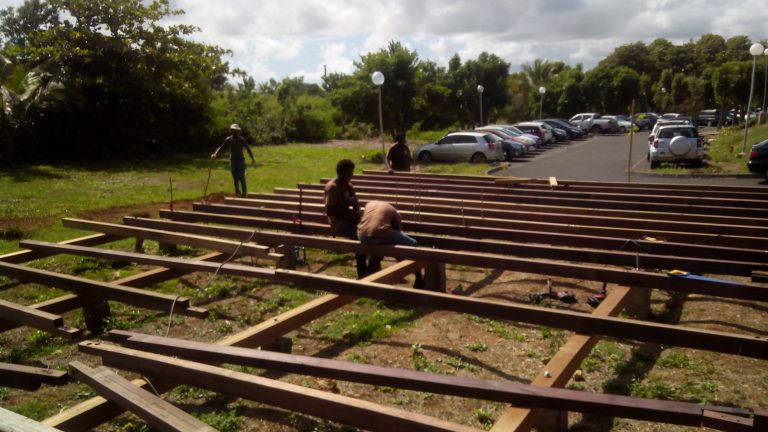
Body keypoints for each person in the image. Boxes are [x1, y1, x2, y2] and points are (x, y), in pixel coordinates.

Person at [357, 200, 424, 287]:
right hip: (380, 233)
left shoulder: (369, 205)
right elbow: (398, 230)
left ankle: (373, 272)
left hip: (361, 235)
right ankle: (419, 279)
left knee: (377, 246)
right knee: (413, 243)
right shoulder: (394, 211)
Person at [324, 159, 367, 279]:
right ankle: (362, 272)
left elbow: (356, 202)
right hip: (339, 222)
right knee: (360, 239)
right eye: (348, 173)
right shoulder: (333, 187)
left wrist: (357, 210)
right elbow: (330, 211)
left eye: (352, 173)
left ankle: (371, 266)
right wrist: (347, 209)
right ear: (340, 173)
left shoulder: (348, 185)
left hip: (350, 219)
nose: (351, 176)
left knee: (370, 232)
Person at [211, 123, 255, 197]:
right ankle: (237, 193)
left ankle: (244, 194)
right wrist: (215, 154)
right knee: (235, 178)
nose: (234, 132)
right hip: (233, 161)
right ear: (230, 131)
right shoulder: (228, 139)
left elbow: (248, 149)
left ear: (238, 131)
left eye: (235, 130)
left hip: (240, 161)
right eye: (232, 130)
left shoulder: (241, 140)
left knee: (241, 177)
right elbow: (221, 147)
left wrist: (252, 159)